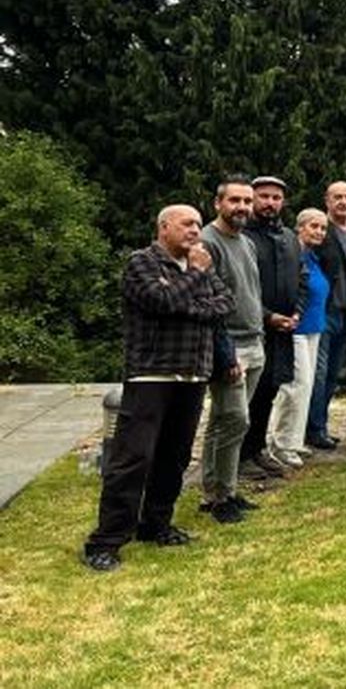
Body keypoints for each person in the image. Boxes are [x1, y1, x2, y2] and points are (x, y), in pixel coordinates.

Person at [83, 205, 236, 572]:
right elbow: (161, 301)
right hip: (151, 374)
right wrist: (195, 283)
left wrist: (187, 298)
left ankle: (156, 524)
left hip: (193, 374)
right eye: (187, 224)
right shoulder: (143, 262)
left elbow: (225, 304)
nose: (195, 231)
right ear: (164, 227)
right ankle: (106, 541)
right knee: (132, 458)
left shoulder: (197, 265)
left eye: (198, 224)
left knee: (175, 456)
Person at [198, 176, 264, 524]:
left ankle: (221, 490)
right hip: (230, 344)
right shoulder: (208, 242)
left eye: (246, 201)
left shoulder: (245, 242)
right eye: (234, 200)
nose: (242, 207)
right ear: (218, 203)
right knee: (235, 420)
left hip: (254, 339)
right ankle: (220, 495)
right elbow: (210, 300)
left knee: (224, 421)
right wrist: (225, 353)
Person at [241, 175, 305, 477]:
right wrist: (267, 316)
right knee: (247, 395)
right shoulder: (244, 238)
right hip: (252, 329)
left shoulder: (289, 237)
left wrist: (297, 311)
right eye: (264, 196)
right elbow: (239, 288)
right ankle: (239, 456)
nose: (270, 202)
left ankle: (257, 449)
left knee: (270, 390)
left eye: (276, 197)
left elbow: (302, 278)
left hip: (284, 329)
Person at [265, 208, 330, 468]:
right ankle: (279, 443)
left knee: (307, 386)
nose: (319, 232)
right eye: (314, 226)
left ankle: (294, 440)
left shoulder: (312, 257)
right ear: (299, 227)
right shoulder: (291, 255)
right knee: (295, 386)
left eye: (323, 228)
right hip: (295, 328)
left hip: (314, 327)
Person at [306, 180, 346, 451]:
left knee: (332, 373)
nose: (344, 201)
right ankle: (313, 429)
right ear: (327, 201)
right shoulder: (321, 229)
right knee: (317, 374)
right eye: (338, 197)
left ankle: (321, 424)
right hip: (324, 309)